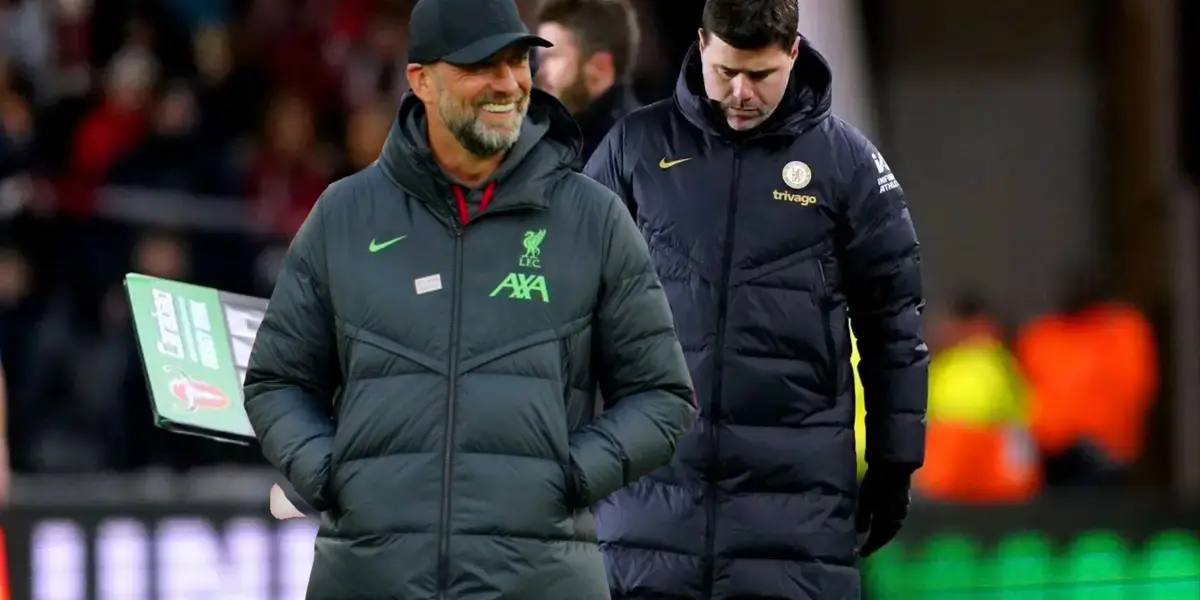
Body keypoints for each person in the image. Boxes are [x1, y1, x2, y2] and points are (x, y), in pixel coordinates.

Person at [242, 0, 696, 597]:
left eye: (516, 62)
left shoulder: (593, 217)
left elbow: (663, 397)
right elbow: (276, 382)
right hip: (372, 577)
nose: (507, 84)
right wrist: (334, 474)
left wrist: (569, 474)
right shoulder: (344, 215)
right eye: (480, 66)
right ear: (421, 81)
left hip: (539, 580)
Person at [584, 0, 929, 597]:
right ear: (702, 43)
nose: (741, 92)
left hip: (797, 519)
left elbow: (893, 322)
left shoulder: (848, 167)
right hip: (646, 510)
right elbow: (564, 305)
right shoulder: (632, 150)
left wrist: (896, 461)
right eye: (725, 72)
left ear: (793, 53)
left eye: (762, 75)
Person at [534, 0, 642, 169]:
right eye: (540, 59)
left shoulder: (636, 152)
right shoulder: (548, 139)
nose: (540, 72)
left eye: (551, 57)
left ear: (600, 66)